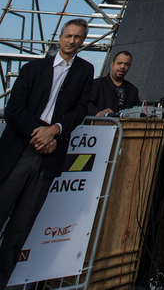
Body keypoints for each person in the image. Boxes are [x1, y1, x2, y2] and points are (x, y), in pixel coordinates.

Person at [0, 19, 94, 290]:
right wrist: (42, 134)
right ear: (60, 37)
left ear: (82, 40)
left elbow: (79, 109)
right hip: (19, 153)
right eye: (68, 35)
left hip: (49, 156)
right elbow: (14, 109)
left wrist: (56, 130)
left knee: (20, 230)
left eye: (78, 37)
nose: (72, 41)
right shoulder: (33, 69)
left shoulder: (85, 71)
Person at [88, 50, 141, 116]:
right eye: (119, 63)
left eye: (126, 64)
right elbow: (87, 104)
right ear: (112, 64)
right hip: (101, 125)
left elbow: (137, 111)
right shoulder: (97, 84)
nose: (122, 67)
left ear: (129, 67)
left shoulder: (133, 90)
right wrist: (98, 113)